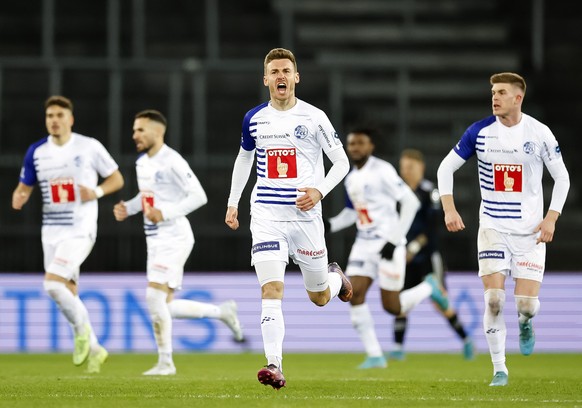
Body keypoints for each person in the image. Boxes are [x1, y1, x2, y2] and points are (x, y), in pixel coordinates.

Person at [224, 47, 353, 390]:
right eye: (274, 72)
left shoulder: (314, 117)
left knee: (320, 297)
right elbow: (243, 159)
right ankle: (274, 364)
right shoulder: (253, 118)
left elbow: (342, 163)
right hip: (266, 215)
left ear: (296, 77)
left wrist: (319, 191)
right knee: (272, 287)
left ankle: (337, 279)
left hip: (305, 219)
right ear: (265, 79)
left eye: (286, 71)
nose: (280, 76)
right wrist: (233, 201)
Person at [437, 72, 570, 387]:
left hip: (530, 233)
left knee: (525, 306)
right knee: (494, 301)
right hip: (493, 228)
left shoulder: (539, 133)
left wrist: (551, 218)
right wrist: (449, 208)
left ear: (518, 98)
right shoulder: (480, 132)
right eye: (492, 92)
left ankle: (526, 323)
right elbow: (446, 167)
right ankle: (500, 369)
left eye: (501, 92)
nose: (494, 97)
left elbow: (562, 178)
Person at [113, 109, 244, 376]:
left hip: (174, 236)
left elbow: (199, 196)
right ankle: (222, 312)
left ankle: (166, 363)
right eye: (134, 130)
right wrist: (129, 206)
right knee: (164, 306)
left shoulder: (172, 161)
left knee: (153, 297)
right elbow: (148, 197)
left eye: (140, 130)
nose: (134, 135)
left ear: (157, 132)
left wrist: (166, 213)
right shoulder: (142, 163)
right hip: (155, 239)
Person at [11, 95, 124, 373]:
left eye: (60, 115)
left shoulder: (88, 146)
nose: (54, 120)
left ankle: (81, 335)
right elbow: (24, 186)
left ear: (70, 119)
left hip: (80, 229)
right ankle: (96, 349)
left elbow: (117, 178)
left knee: (52, 284)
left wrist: (96, 191)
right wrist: (19, 196)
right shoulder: (36, 152)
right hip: (51, 231)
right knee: (68, 291)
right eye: (50, 116)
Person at [326, 128, 449, 369]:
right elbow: (353, 213)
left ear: (371, 146)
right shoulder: (351, 178)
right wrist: (329, 225)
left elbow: (410, 203)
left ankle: (429, 287)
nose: (355, 148)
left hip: (388, 243)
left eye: (360, 143)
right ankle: (375, 355)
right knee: (353, 294)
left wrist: (394, 240)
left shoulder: (382, 170)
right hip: (363, 244)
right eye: (351, 144)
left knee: (392, 307)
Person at [388, 148, 473, 361]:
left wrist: (414, 247)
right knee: (400, 301)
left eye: (410, 167)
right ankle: (398, 348)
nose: (405, 171)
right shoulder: (397, 193)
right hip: (404, 257)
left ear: (420, 168)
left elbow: (432, 227)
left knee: (440, 302)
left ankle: (466, 340)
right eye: (403, 167)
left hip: (427, 256)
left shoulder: (429, 192)